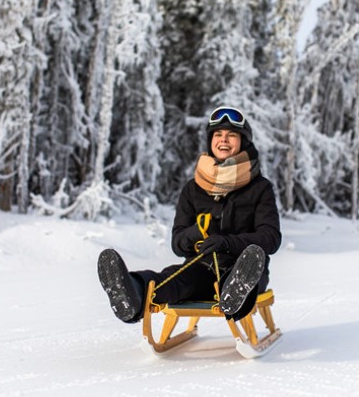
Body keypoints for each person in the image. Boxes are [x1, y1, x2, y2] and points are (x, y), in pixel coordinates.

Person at [97, 105, 282, 323]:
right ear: (210, 140)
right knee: (173, 280)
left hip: (245, 267)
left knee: (240, 276)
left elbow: (271, 238)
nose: (224, 140)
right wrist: (196, 233)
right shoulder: (193, 189)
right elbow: (178, 244)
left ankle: (234, 292)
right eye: (218, 134)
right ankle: (132, 293)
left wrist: (227, 243)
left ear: (243, 142)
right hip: (201, 267)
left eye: (232, 135)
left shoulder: (259, 188)